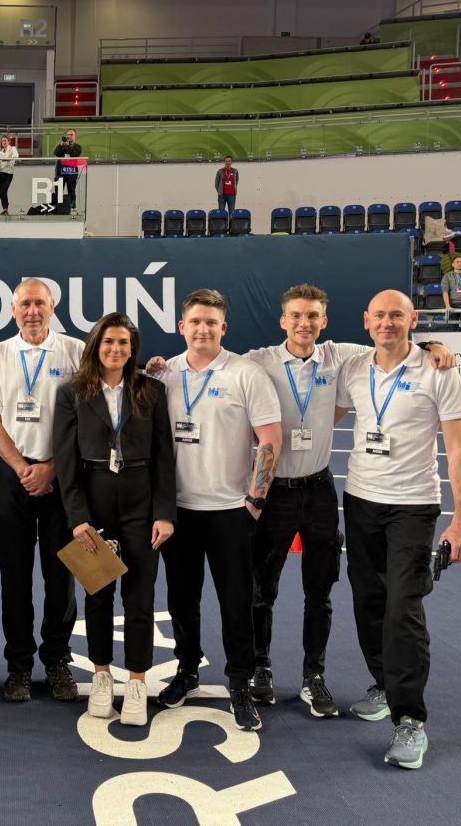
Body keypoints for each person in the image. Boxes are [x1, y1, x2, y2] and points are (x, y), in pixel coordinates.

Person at [237, 285, 455, 719]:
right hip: (274, 494)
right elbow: (214, 362)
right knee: (262, 589)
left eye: (312, 316)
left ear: (324, 321)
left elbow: (393, 343)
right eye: (296, 316)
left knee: (320, 591)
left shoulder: (341, 357)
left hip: (319, 491)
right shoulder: (258, 361)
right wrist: (164, 365)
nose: (304, 323)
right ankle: (260, 668)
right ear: (283, 321)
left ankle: (313, 676)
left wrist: (434, 345)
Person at [336, 289, 461, 770]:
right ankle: (383, 682)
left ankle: (410, 718)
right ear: (365, 321)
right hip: (359, 499)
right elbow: (321, 412)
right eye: (379, 315)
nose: (387, 322)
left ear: (413, 320)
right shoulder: (354, 367)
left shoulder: (438, 369)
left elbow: (457, 449)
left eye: (397, 315)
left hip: (413, 505)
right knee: (367, 600)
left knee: (403, 608)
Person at [153, 289, 281, 732]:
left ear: (223, 329)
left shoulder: (246, 373)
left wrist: (255, 501)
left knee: (236, 603)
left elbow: (270, 439)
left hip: (231, 511)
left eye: (211, 322)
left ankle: (239, 683)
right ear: (181, 327)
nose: (203, 329)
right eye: (195, 321)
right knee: (180, 599)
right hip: (178, 511)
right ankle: (187, 669)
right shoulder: (163, 374)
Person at [53, 313, 175, 726]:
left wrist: (164, 514)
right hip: (94, 503)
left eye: (123, 342)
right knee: (98, 595)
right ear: (96, 345)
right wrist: (78, 518)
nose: (115, 349)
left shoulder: (151, 390)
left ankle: (137, 682)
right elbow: (66, 462)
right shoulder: (72, 392)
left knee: (140, 597)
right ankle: (102, 676)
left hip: (141, 505)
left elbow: (164, 457)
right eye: (108, 342)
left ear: (132, 348)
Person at [0, 278, 85, 703]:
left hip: (62, 475)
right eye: (25, 303)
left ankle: (57, 660)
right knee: (15, 574)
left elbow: (86, 419)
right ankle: (19, 665)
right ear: (12, 309)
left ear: (53, 307)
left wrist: (52, 468)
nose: (32, 311)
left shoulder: (75, 351)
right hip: (13, 475)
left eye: (40, 303)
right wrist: (24, 468)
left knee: (62, 574)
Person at [53, 129, 83, 213]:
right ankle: (58, 208)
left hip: (71, 172)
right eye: (68, 135)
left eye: (71, 135)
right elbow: (56, 153)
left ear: (75, 136)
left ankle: (73, 208)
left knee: (71, 191)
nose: (69, 136)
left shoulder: (78, 146)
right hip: (60, 171)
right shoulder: (62, 145)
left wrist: (68, 146)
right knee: (58, 191)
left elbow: (75, 154)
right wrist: (62, 145)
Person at [0, 134, 19, 215]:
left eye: (5, 140)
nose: (4, 142)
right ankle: (5, 208)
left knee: (3, 191)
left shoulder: (13, 148)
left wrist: (6, 160)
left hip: (8, 174)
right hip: (0, 173)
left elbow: (16, 156)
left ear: (8, 141)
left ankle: (5, 208)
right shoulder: (0, 152)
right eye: (2, 141)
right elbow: (0, 163)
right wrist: (8, 160)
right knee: (0, 192)